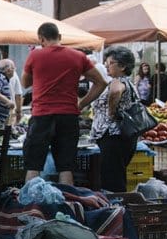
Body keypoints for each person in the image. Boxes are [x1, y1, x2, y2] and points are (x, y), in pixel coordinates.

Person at [21, 22, 106, 185]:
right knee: (65, 166)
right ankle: (68, 204)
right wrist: (81, 104)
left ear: (41, 39)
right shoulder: (79, 56)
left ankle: (31, 205)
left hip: (42, 116)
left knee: (33, 165)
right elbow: (101, 83)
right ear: (60, 37)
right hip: (68, 115)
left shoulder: (35, 56)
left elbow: (25, 83)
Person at [89, 46, 140, 192]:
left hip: (113, 136)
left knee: (113, 180)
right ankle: (117, 208)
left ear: (122, 66)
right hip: (121, 136)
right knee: (116, 175)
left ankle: (117, 209)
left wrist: (111, 112)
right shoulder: (127, 81)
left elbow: (116, 92)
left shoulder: (118, 81)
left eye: (110, 63)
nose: (106, 65)